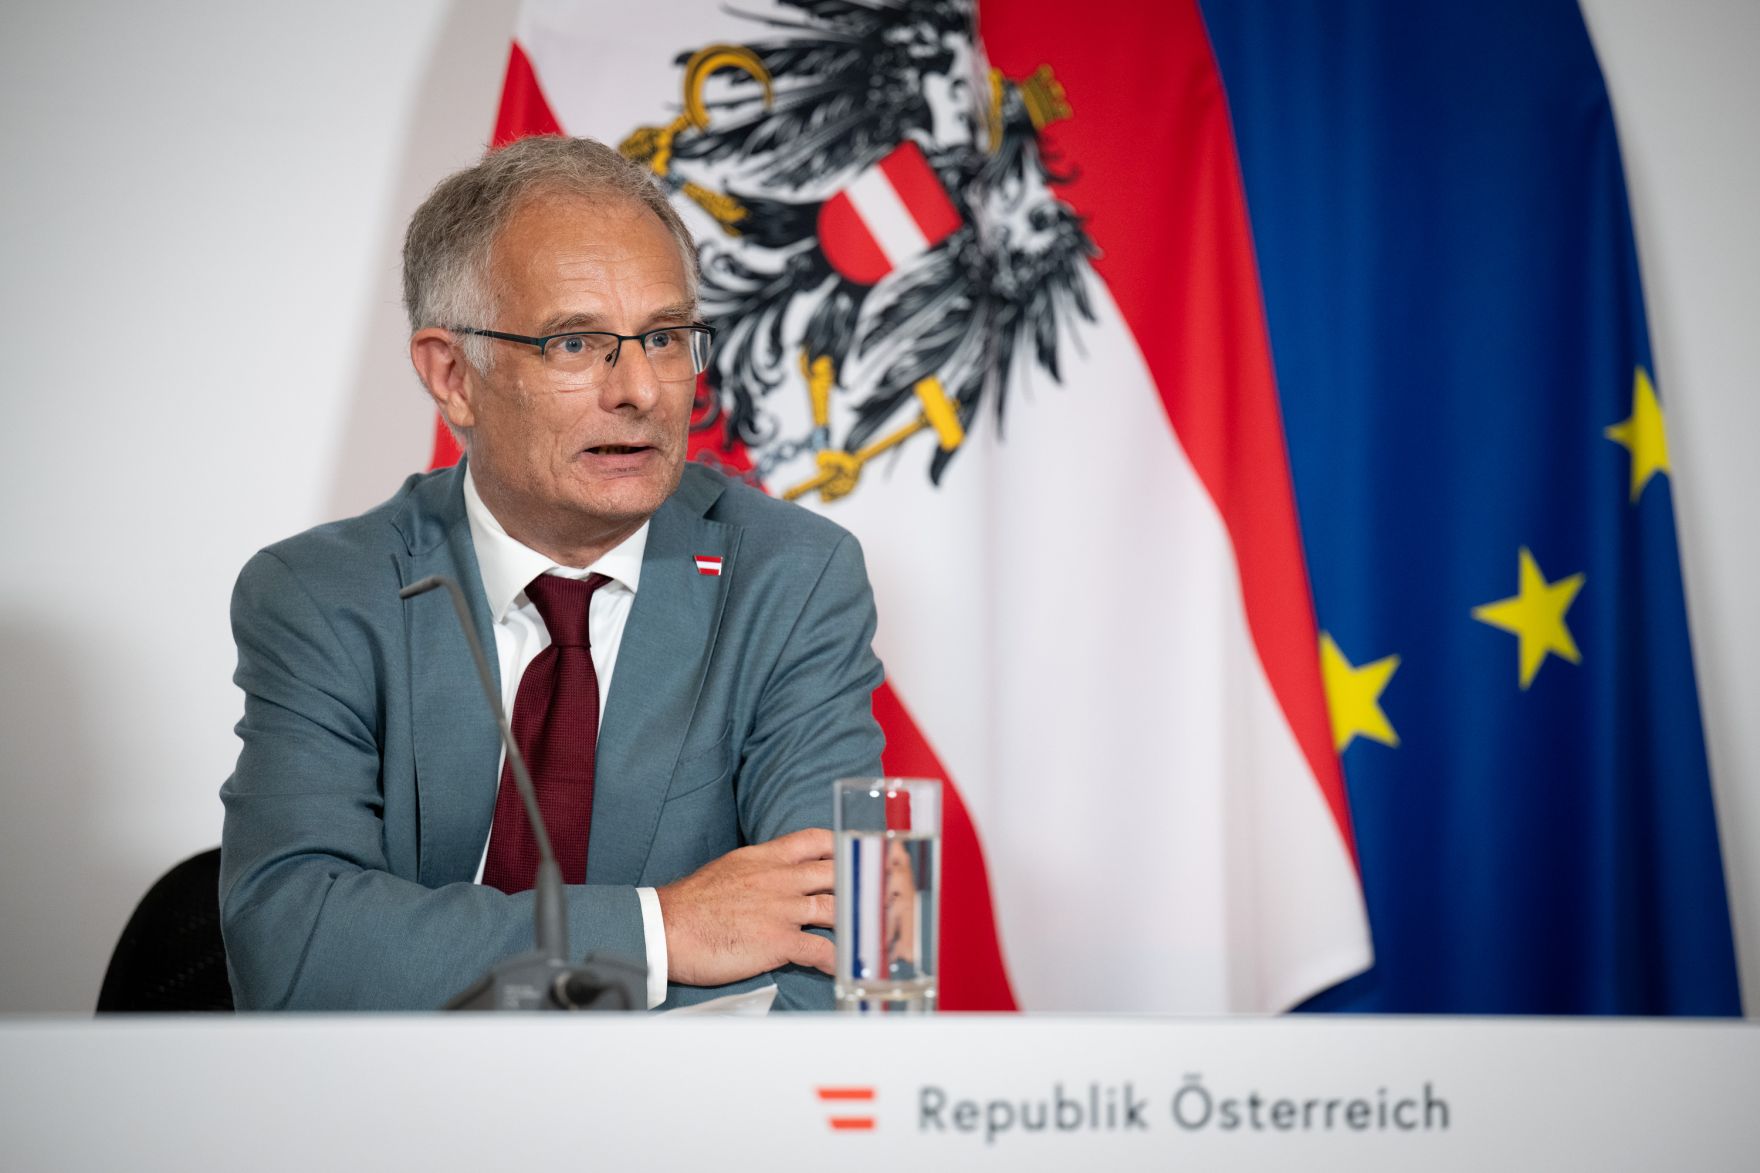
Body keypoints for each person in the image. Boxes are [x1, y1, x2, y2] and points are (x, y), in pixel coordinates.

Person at [219, 135, 884, 1011]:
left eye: (666, 336)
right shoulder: (324, 597)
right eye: (577, 344)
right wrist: (659, 932)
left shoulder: (791, 580)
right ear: (452, 375)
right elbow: (295, 947)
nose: (641, 389)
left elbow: (842, 951)